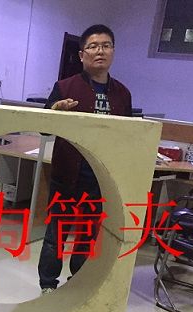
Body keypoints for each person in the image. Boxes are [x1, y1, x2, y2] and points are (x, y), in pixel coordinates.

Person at [38, 24, 132, 294]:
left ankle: (77, 284)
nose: (100, 51)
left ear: (113, 51)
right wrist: (55, 111)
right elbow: (43, 128)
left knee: (88, 236)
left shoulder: (122, 94)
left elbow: (128, 136)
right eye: (93, 46)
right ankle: (47, 285)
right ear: (82, 55)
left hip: (101, 179)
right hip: (67, 175)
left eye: (106, 45)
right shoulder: (65, 87)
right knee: (56, 234)